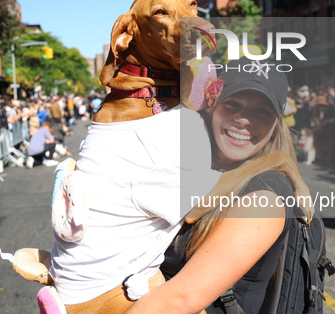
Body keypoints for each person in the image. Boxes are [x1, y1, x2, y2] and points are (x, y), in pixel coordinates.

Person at [127, 57, 297, 314]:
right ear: (211, 107)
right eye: (232, 104)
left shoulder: (265, 193)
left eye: (262, 111)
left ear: (275, 125)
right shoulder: (191, 167)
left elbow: (180, 300)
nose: (244, 119)